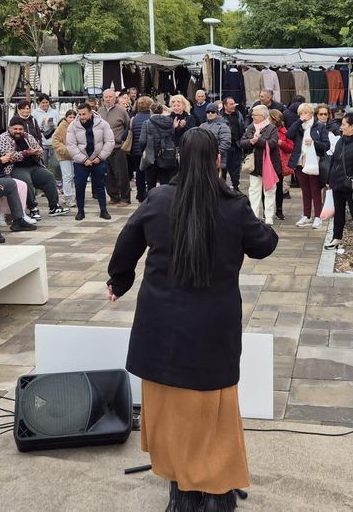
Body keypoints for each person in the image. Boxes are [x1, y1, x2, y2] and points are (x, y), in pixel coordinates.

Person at [105, 129, 278, 511]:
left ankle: (182, 489)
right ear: (218, 159)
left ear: (180, 159)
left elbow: (127, 243)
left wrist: (119, 280)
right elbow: (263, 245)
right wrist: (265, 223)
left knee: (169, 409)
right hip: (212, 329)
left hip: (162, 326)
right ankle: (216, 493)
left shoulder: (159, 198)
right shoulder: (234, 206)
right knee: (212, 410)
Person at [0, 118, 68, 219]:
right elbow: (9, 156)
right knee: (26, 180)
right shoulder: (2, 138)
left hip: (33, 165)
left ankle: (54, 206)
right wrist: (26, 153)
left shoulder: (27, 136)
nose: (18, 131)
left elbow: (39, 149)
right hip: (15, 167)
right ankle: (33, 208)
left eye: (20, 129)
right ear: (9, 128)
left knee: (48, 176)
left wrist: (37, 152)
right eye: (15, 129)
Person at [324, 112, 353, 254]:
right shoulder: (341, 140)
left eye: (344, 124)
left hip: (351, 184)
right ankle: (336, 238)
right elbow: (334, 160)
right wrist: (329, 179)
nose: (341, 127)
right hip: (337, 182)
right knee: (338, 212)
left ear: (352, 126)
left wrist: (352, 178)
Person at [66, 103, 115, 221]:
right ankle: (80, 211)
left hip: (98, 159)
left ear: (91, 113)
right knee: (80, 186)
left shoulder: (102, 124)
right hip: (81, 162)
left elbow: (109, 141)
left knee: (100, 186)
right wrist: (83, 160)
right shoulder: (73, 126)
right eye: (80, 114)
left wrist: (100, 157)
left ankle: (103, 210)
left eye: (84, 114)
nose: (82, 117)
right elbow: (71, 145)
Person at [287, 102, 329, 229]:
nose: (303, 115)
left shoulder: (319, 127)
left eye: (306, 112)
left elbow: (326, 146)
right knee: (305, 190)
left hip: (314, 161)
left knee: (315, 189)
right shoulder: (299, 126)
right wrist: (299, 121)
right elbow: (289, 135)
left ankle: (317, 216)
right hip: (300, 161)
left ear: (311, 114)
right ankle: (306, 215)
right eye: (301, 113)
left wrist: (314, 142)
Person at [241, 104, 279, 225]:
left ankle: (268, 216)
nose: (252, 116)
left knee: (269, 191)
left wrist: (259, 141)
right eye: (252, 114)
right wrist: (250, 142)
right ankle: (254, 215)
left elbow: (273, 143)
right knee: (254, 190)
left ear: (263, 116)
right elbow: (242, 142)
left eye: (255, 115)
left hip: (269, 164)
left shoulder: (272, 128)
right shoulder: (250, 127)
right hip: (255, 165)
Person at [101, 89, 132, 207]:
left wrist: (122, 140)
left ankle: (125, 198)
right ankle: (113, 197)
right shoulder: (100, 111)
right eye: (106, 97)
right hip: (104, 148)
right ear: (103, 98)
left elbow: (128, 127)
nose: (108, 99)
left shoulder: (121, 111)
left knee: (121, 174)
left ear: (115, 98)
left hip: (118, 147)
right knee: (108, 174)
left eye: (110, 97)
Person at [270, 109, 293, 221]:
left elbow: (291, 148)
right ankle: (267, 211)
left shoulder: (284, 132)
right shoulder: (265, 130)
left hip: (279, 163)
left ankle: (279, 210)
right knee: (267, 187)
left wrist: (281, 143)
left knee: (278, 188)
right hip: (268, 162)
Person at [51, 110, 77, 208]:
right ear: (66, 118)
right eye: (70, 117)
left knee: (73, 176)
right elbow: (55, 140)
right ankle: (68, 198)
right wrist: (65, 150)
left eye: (74, 117)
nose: (72, 119)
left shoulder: (77, 126)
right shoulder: (62, 127)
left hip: (75, 155)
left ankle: (70, 195)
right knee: (67, 176)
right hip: (64, 155)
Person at [129, 97, 154, 202]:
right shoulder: (152, 117)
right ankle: (150, 194)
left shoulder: (134, 119)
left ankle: (140, 195)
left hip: (136, 151)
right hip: (149, 151)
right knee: (150, 174)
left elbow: (126, 134)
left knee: (139, 174)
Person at [32, 94, 61, 180]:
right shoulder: (35, 113)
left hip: (54, 141)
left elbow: (59, 126)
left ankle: (58, 180)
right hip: (42, 142)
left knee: (56, 164)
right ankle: (45, 183)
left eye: (47, 102)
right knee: (43, 164)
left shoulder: (54, 112)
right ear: (39, 103)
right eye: (43, 102)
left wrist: (52, 124)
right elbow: (35, 128)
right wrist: (42, 124)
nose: (45, 104)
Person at [220, 97, 246, 191]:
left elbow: (242, 128)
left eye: (234, 103)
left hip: (237, 145)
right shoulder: (220, 117)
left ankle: (236, 187)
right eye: (231, 104)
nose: (233, 106)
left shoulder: (238, 114)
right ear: (225, 106)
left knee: (236, 168)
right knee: (224, 168)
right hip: (225, 147)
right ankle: (222, 188)